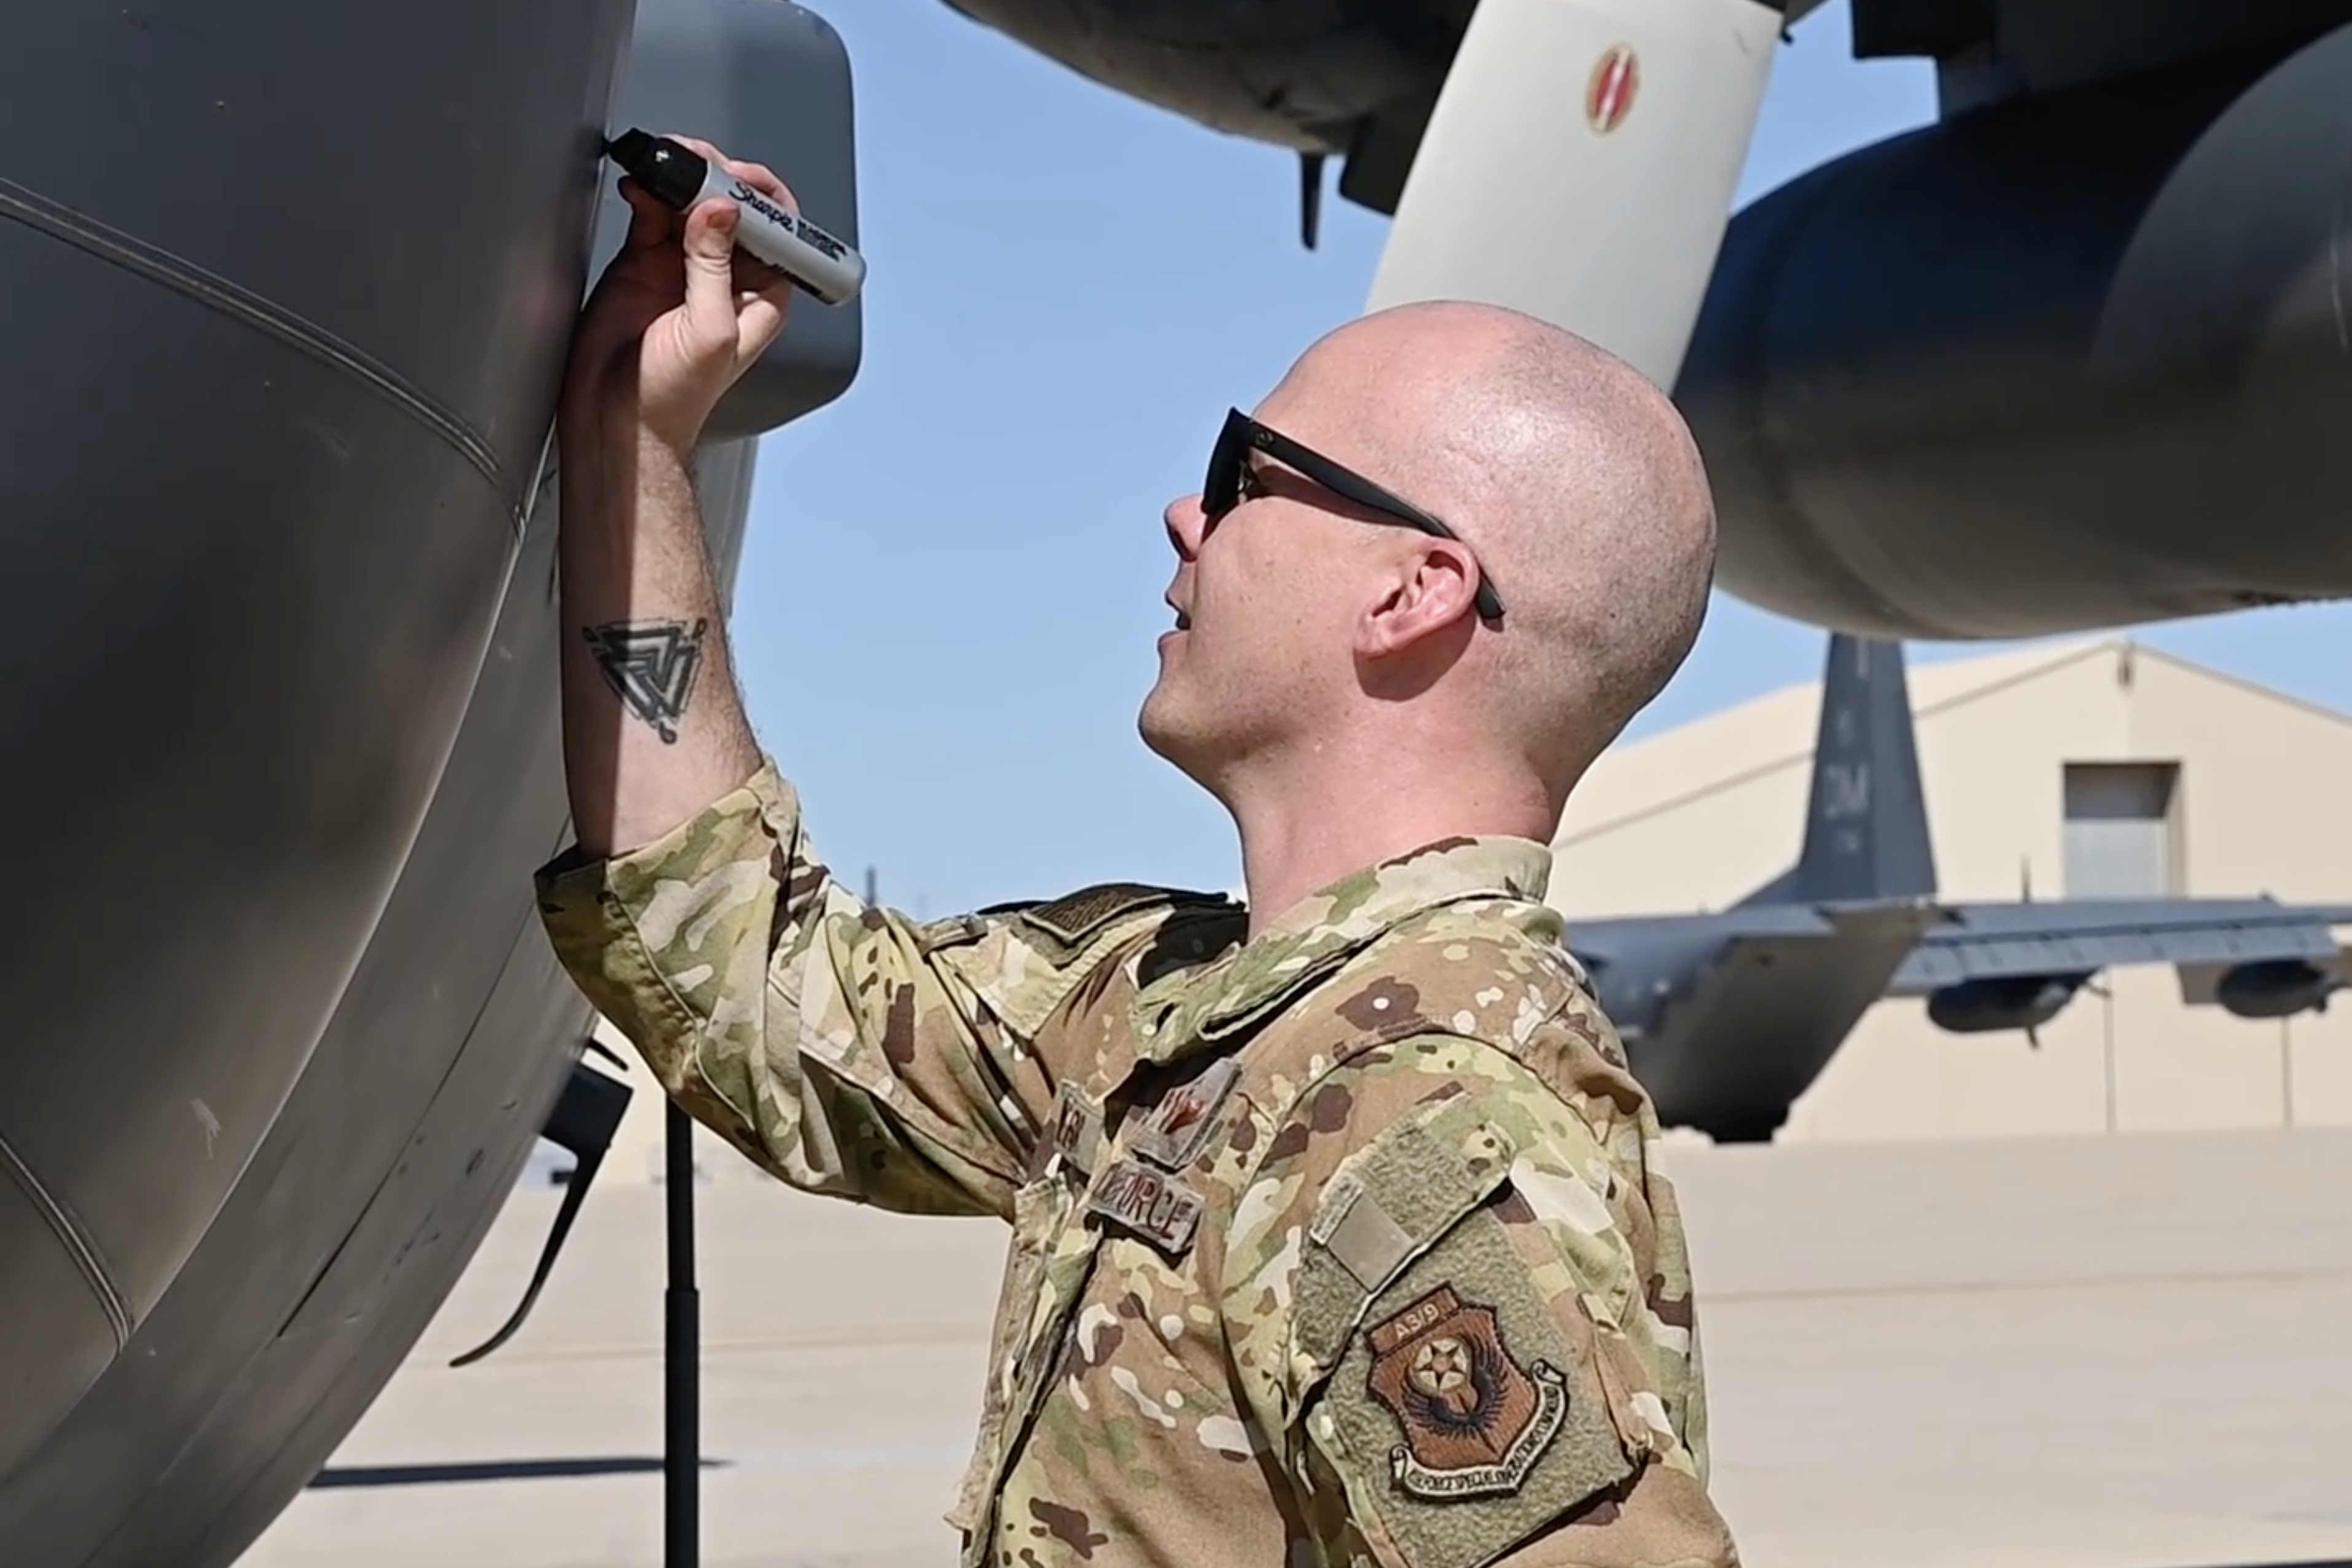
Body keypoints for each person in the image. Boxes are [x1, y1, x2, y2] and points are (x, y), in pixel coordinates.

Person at [529, 135, 1738, 1568]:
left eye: (1248, 472)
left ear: (1414, 589)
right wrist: (633, 433)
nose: (1188, 510)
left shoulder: (1414, 1113)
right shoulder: (1190, 1014)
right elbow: (758, 983)